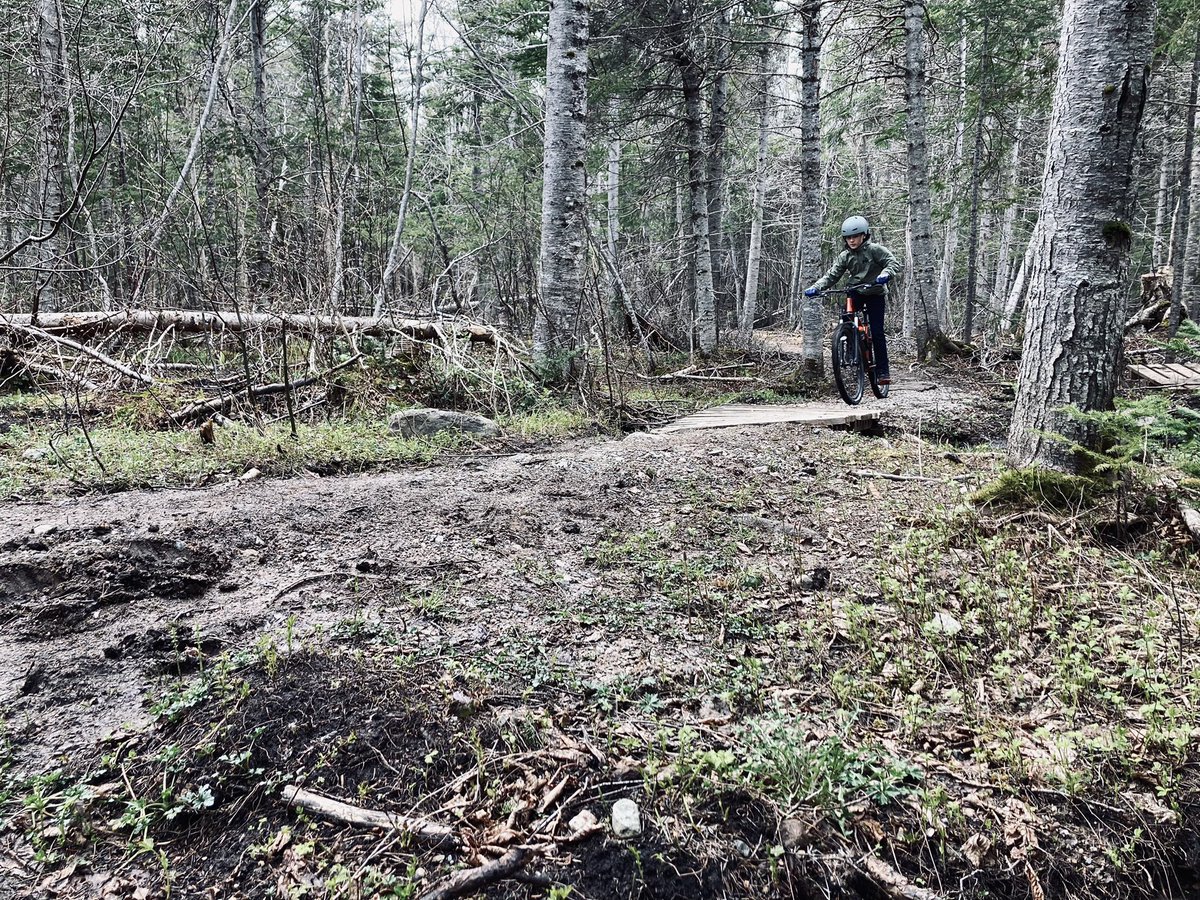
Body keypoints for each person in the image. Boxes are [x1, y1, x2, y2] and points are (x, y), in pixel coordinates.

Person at [804, 215, 898, 385]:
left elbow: (892, 262)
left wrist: (885, 274)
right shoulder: (845, 256)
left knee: (877, 332)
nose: (852, 240)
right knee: (847, 318)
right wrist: (816, 287)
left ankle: (883, 371)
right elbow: (832, 275)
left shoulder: (875, 250)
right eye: (848, 237)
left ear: (864, 235)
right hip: (855, 291)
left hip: (875, 292)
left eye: (855, 236)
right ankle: (850, 348)